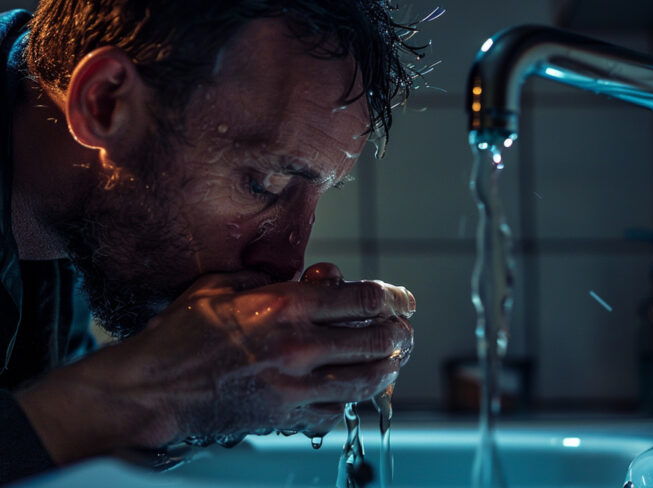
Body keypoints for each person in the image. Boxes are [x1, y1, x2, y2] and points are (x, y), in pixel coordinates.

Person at [0, 0, 419, 483]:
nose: (287, 261)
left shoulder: (77, 224)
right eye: (262, 184)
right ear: (106, 102)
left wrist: (204, 392)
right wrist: (153, 391)